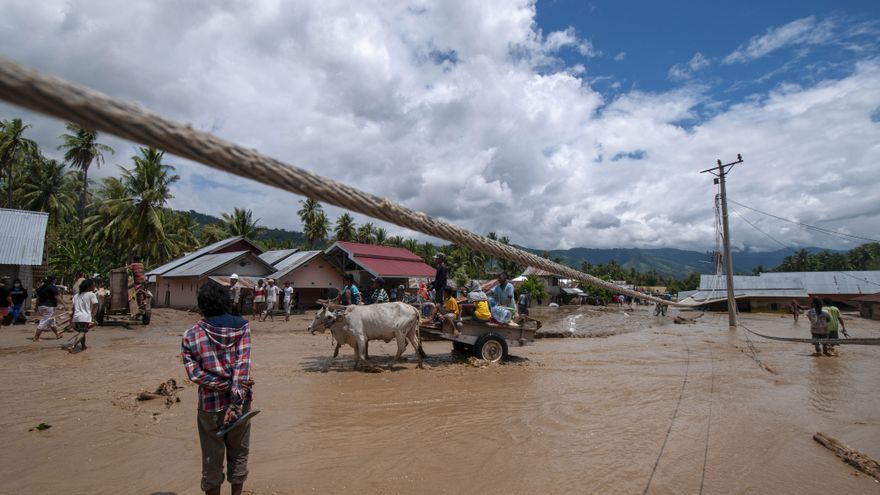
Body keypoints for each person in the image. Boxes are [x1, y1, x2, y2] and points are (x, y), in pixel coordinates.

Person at [181, 283, 253, 495]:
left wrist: (222, 384)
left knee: (211, 456)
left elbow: (195, 375)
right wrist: (235, 396)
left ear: (201, 306)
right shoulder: (242, 327)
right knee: (239, 452)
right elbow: (243, 367)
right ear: (226, 302)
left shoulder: (190, 334)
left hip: (210, 405)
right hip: (240, 403)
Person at [68, 278, 98, 353]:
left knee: (82, 331)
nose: (94, 287)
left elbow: (74, 308)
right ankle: (73, 346)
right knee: (82, 332)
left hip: (76, 317)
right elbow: (96, 305)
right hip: (85, 317)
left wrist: (72, 318)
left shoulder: (76, 296)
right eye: (93, 285)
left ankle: (83, 345)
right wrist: (93, 315)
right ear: (88, 287)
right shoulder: (91, 294)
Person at [34, 276, 65, 341]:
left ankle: (57, 334)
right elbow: (57, 297)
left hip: (41, 306)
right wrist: (64, 304)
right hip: (49, 307)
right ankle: (36, 337)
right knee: (44, 321)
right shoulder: (53, 287)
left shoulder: (41, 288)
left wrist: (36, 307)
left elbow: (38, 298)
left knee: (51, 321)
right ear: (53, 280)